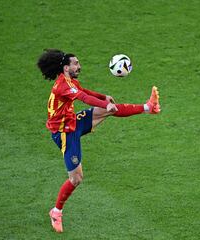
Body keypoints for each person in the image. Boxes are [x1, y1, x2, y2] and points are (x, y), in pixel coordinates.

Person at [37, 49, 161, 233]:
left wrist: (103, 98)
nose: (79, 66)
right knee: (76, 178)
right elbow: (83, 97)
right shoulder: (62, 86)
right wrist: (104, 103)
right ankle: (56, 212)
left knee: (109, 110)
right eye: (76, 63)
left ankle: (149, 107)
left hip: (72, 122)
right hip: (64, 133)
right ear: (65, 67)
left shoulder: (70, 82)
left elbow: (84, 91)